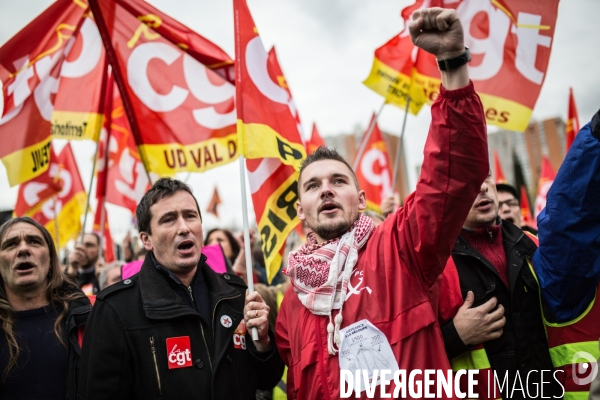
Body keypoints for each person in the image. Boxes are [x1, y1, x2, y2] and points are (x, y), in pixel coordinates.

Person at [276, 7, 489, 399]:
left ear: (359, 199)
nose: (326, 190)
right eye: (313, 186)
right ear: (300, 210)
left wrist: (453, 65)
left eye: (338, 181)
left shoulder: (400, 246)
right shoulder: (292, 299)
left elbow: (453, 175)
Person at [439, 113, 600, 399]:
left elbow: (574, 216)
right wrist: (454, 337)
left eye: (486, 174)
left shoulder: (535, 245)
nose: (481, 185)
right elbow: (403, 346)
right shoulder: (435, 266)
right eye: (467, 177)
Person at [78, 178, 284, 399]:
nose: (184, 228)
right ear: (146, 240)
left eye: (190, 216)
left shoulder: (235, 293)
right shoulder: (115, 308)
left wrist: (262, 343)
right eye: (168, 220)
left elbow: (267, 379)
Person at [0, 217, 91, 400]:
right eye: (11, 244)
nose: (24, 249)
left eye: (34, 241)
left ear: (50, 260)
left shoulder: (88, 317)